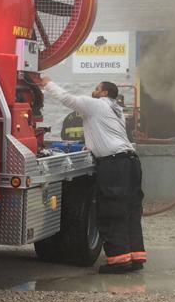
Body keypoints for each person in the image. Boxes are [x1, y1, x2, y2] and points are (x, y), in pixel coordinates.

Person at [41, 77, 145, 274]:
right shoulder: (116, 110)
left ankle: (120, 261)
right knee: (130, 210)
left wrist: (46, 83)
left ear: (104, 93)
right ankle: (136, 256)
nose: (94, 91)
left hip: (114, 164)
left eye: (97, 89)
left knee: (112, 211)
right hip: (131, 162)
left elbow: (66, 98)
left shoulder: (96, 105)